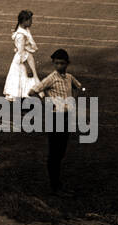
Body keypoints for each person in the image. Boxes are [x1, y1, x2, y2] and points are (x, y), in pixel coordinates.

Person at [31, 49, 84, 193]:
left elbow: (79, 87)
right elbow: (33, 91)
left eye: (62, 63)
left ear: (67, 63)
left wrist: (73, 98)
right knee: (54, 151)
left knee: (61, 150)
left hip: (66, 116)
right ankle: (54, 184)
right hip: (54, 117)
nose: (59, 66)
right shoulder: (51, 78)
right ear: (53, 63)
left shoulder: (69, 77)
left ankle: (56, 180)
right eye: (56, 63)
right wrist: (45, 101)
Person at [2, 10, 39, 100]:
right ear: (24, 21)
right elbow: (21, 52)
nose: (31, 22)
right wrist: (27, 60)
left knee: (20, 77)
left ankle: (20, 94)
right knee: (20, 77)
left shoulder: (25, 30)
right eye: (30, 20)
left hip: (20, 57)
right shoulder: (21, 35)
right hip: (20, 60)